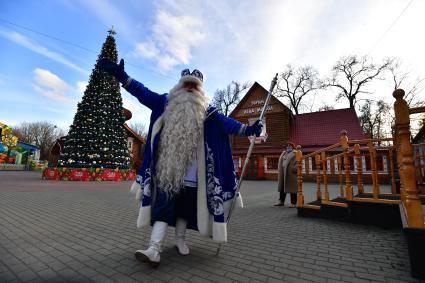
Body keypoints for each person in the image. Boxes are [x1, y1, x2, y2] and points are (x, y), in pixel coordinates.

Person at [99, 58, 263, 266]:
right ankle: (154, 248)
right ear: (179, 86)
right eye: (186, 84)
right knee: (163, 207)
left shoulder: (209, 114)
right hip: (169, 172)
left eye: (194, 86)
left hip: (195, 176)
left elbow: (228, 124)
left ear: (200, 90)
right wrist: (122, 76)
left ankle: (180, 240)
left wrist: (249, 129)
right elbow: (142, 91)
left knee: (185, 210)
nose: (190, 89)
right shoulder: (165, 103)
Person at [275, 142, 298, 207]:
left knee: (292, 189)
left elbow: (298, 163)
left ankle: (293, 203)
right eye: (287, 146)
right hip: (283, 173)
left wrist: (293, 169)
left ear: (293, 147)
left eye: (290, 146)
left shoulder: (296, 153)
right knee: (282, 188)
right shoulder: (284, 153)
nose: (288, 147)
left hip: (291, 174)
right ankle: (281, 202)